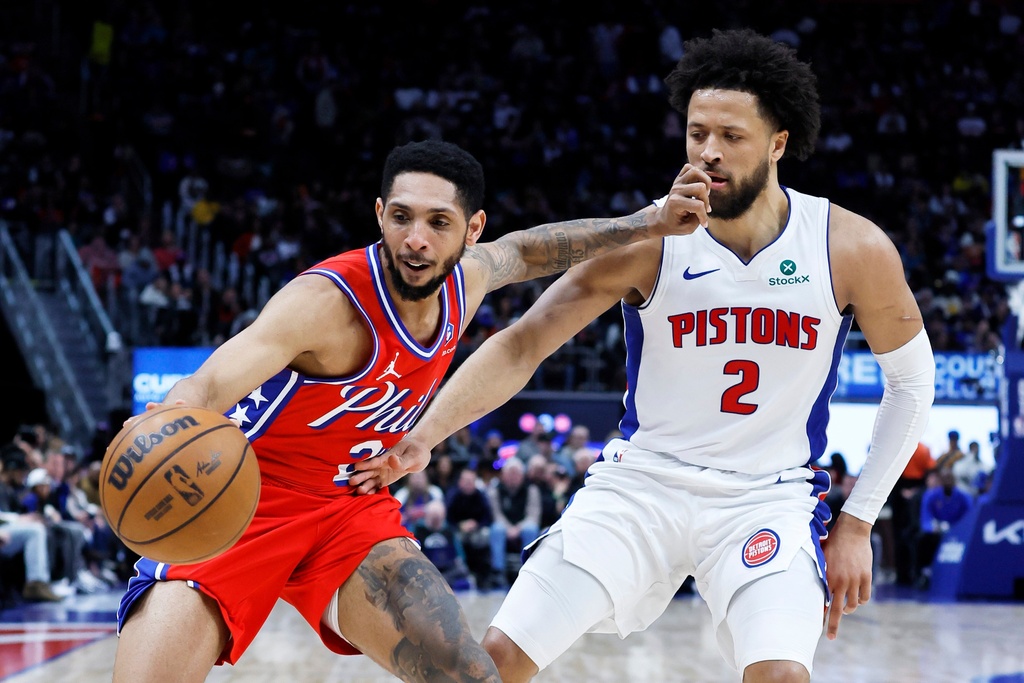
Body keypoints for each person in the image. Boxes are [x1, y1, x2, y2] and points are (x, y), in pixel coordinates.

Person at [353, 30, 935, 682]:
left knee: (781, 676)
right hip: (641, 487)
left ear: (778, 143)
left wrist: (856, 525)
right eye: (697, 133)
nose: (708, 152)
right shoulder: (648, 238)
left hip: (766, 499)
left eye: (732, 137)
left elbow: (911, 382)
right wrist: (425, 432)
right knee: (493, 664)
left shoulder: (849, 246)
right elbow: (524, 343)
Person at [112, 138, 712, 682]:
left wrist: (647, 221)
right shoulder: (323, 302)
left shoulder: (467, 279)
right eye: (401, 217)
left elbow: (529, 251)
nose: (416, 238)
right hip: (242, 502)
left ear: (472, 229)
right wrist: (164, 421)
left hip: (347, 509)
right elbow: (209, 383)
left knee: (469, 675)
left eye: (437, 222)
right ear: (380, 215)